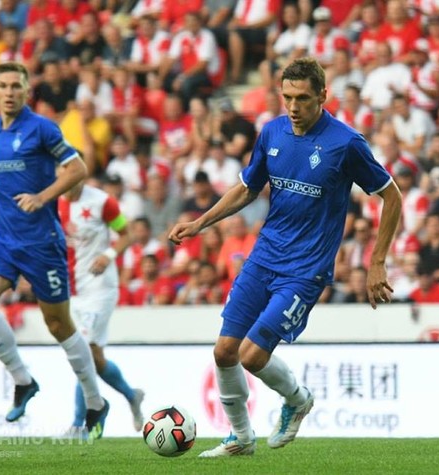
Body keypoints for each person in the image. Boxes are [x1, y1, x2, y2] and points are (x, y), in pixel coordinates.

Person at [168, 58, 402, 457]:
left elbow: (391, 196)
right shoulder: (272, 132)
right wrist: (200, 223)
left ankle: (297, 399)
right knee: (224, 352)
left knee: (251, 355)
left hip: (305, 270)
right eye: (287, 97)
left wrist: (377, 261)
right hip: (263, 258)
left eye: (303, 98)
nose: (293, 107)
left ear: (323, 96)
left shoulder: (346, 144)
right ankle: (240, 438)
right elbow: (248, 188)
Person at [0, 62, 108, 439]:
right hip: (4, 238)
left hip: (42, 242)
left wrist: (42, 197)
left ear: (27, 90)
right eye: (3, 85)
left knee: (59, 325)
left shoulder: (43, 128)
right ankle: (22, 380)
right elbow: (8, 179)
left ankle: (95, 401)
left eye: (16, 86)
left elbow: (77, 169)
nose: (9, 92)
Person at [57, 174, 145, 436]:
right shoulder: (53, 202)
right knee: (95, 357)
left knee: (83, 352)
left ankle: (79, 424)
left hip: (100, 287)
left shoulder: (102, 202)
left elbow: (127, 234)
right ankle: (132, 396)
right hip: (72, 288)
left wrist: (108, 255)